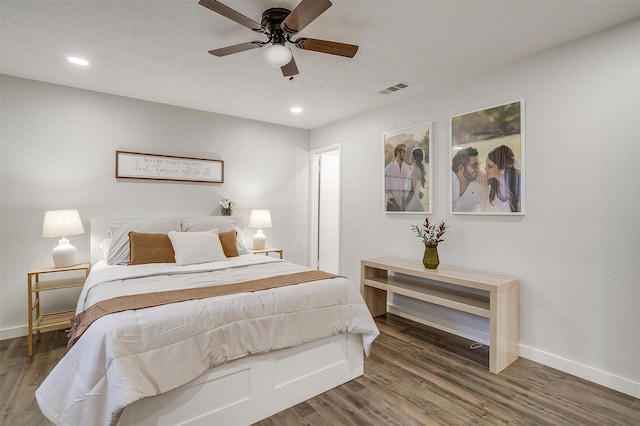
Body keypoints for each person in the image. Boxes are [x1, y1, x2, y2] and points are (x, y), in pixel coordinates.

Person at [481, 144, 521, 212]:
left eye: (489, 167)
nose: (485, 169)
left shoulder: (519, 185)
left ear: (502, 169)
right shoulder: (493, 182)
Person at [451, 147, 485, 212]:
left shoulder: (481, 184)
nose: (478, 169)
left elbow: (485, 213)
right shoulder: (445, 183)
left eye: (478, 165)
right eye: (474, 166)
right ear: (461, 168)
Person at [384, 143, 411, 211]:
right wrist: (395, 205)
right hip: (392, 206)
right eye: (403, 152)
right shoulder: (389, 168)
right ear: (398, 153)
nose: (405, 154)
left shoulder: (406, 168)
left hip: (404, 206)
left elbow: (410, 186)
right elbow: (387, 189)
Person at [402, 147, 426, 212]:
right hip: (411, 201)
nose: (410, 157)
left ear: (413, 157)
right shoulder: (416, 169)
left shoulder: (415, 170)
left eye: (411, 155)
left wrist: (403, 205)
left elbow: (412, 191)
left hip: (412, 203)